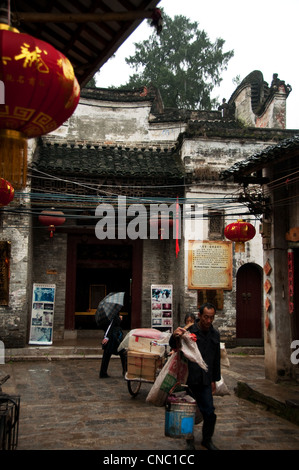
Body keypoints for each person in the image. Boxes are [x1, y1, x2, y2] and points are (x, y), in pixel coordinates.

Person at [170, 302, 221, 450]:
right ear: (199, 316)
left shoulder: (215, 334)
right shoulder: (189, 331)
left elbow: (216, 359)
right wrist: (175, 336)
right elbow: (174, 344)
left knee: (209, 412)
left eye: (211, 318)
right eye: (206, 317)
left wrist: (214, 380)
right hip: (189, 378)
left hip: (205, 380)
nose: (209, 321)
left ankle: (207, 439)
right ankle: (189, 441)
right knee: (188, 411)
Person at [99, 314, 127, 378]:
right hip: (113, 338)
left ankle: (103, 372)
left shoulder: (108, 314)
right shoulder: (113, 314)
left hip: (113, 337)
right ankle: (125, 371)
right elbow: (110, 326)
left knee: (107, 354)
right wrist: (106, 337)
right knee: (122, 353)